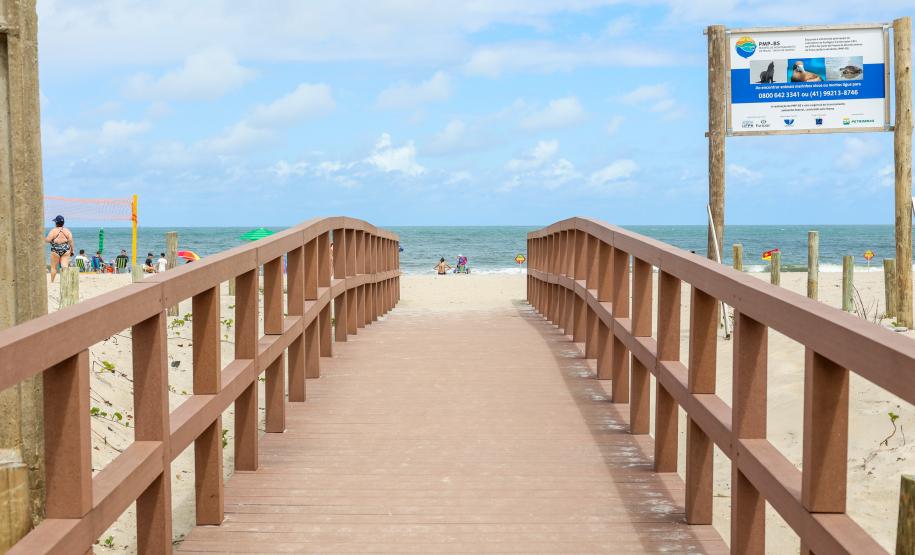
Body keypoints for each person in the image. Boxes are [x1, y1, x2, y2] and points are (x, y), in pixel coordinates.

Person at [46, 215, 73, 283]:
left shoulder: (53, 231)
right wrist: (72, 250)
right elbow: (71, 242)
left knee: (53, 267)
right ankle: (65, 281)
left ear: (56, 223)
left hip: (55, 250)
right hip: (65, 249)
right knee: (64, 265)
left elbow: (48, 240)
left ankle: (52, 281)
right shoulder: (67, 231)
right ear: (63, 223)